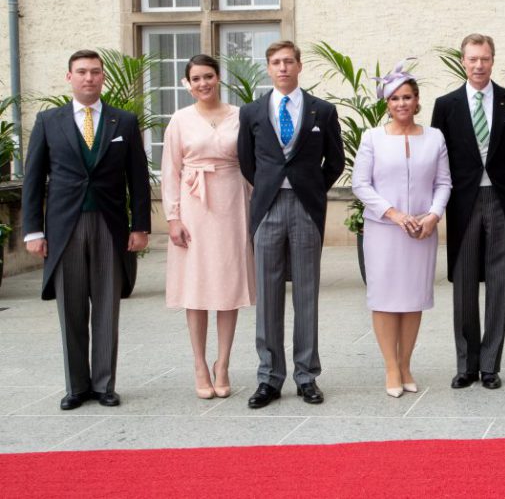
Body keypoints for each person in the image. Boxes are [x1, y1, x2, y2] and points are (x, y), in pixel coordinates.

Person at [22, 49, 152, 410]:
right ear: (69, 78)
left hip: (110, 226)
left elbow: (138, 179)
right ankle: (76, 386)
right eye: (81, 72)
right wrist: (33, 230)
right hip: (65, 228)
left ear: (103, 77)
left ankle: (105, 384)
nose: (89, 78)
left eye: (95, 72)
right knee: (71, 307)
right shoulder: (49, 121)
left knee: (107, 306)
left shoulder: (123, 121)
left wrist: (140, 226)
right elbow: (33, 179)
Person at [237, 40, 344, 408]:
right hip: (267, 208)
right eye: (276, 62)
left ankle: (306, 376)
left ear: (299, 66)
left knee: (306, 294)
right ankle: (268, 377)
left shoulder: (322, 111)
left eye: (289, 62)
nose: (283, 68)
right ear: (268, 68)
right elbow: (246, 162)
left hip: (305, 208)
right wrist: (269, 188)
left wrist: (309, 188)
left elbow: (336, 161)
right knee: (267, 296)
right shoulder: (251, 112)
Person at [431, 33, 505, 390]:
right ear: (463, 61)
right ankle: (466, 365)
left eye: (484, 58)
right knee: (464, 285)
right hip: (463, 202)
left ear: (493, 60)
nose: (478, 65)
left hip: (500, 199)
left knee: (499, 283)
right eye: (472, 59)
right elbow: (440, 158)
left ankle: (490, 365)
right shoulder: (446, 105)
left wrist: (500, 183)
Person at [352, 62, 451, 397]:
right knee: (384, 299)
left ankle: (406, 363)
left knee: (412, 300)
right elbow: (360, 184)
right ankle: (391, 368)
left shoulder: (435, 137)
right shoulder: (372, 139)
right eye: (394, 99)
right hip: (384, 230)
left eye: (407, 97)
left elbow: (444, 183)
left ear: (417, 100)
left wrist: (433, 216)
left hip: (421, 231)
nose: (401, 104)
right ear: (387, 103)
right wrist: (392, 213)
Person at [162, 54, 256, 399]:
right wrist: (173, 217)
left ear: (219, 78)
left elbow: (251, 164)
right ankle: (200, 363)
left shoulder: (239, 116)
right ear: (188, 83)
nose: (203, 83)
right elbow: (170, 171)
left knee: (228, 286)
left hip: (232, 203)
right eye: (196, 78)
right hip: (194, 207)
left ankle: (224, 363)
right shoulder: (180, 120)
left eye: (209, 76)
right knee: (197, 287)